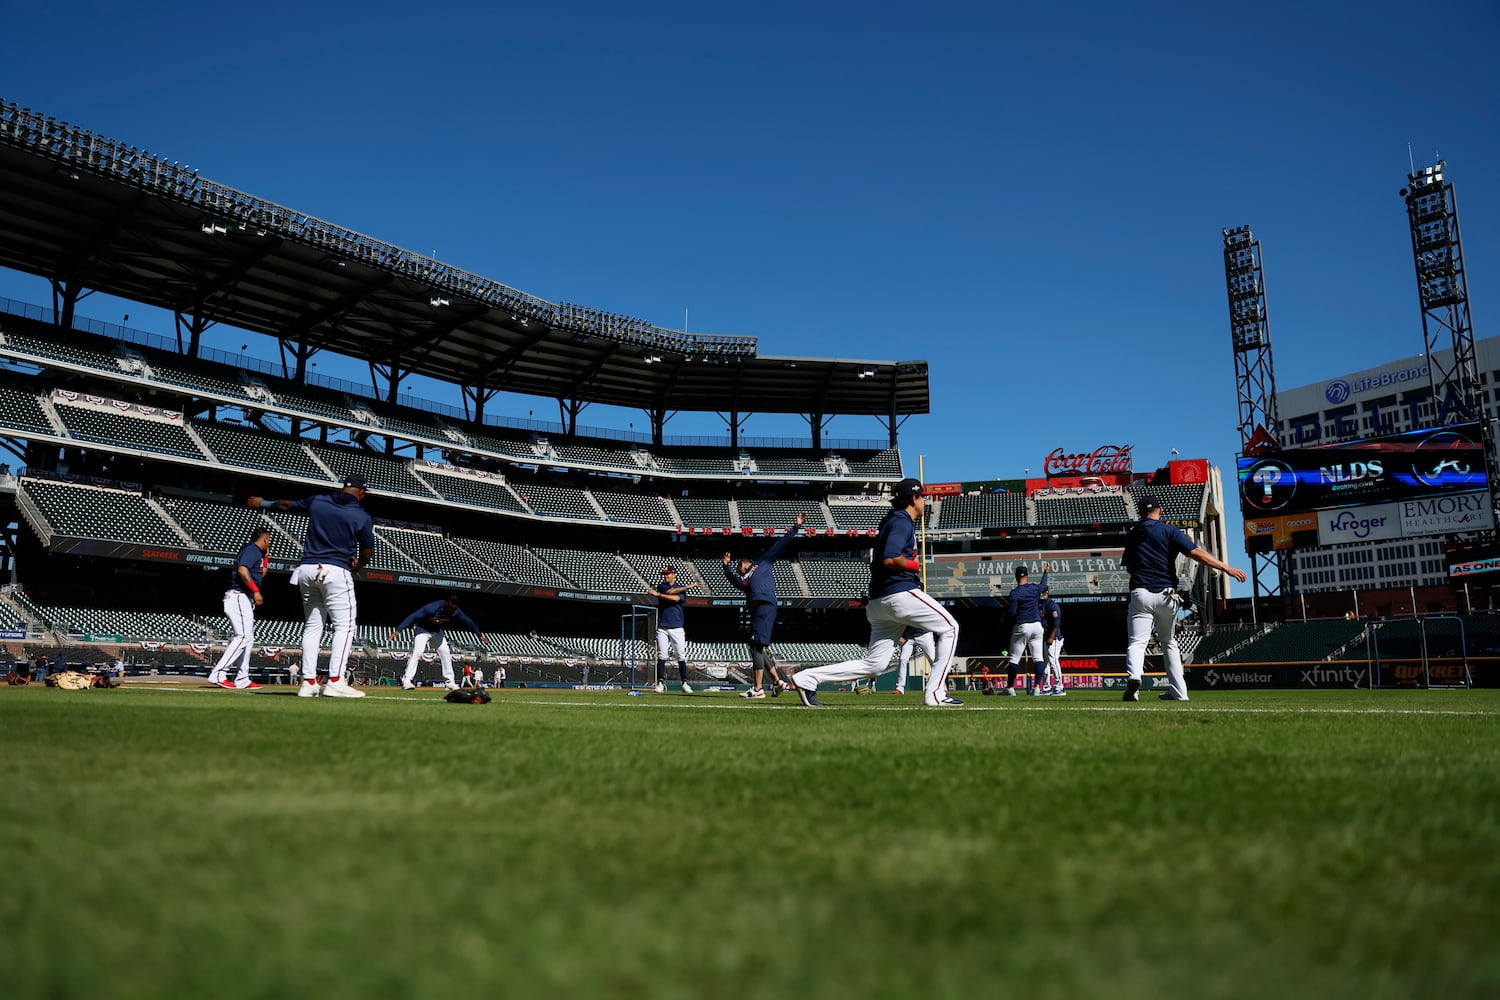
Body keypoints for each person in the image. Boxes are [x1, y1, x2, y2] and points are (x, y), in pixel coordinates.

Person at [792, 478, 961, 708]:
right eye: (922, 496)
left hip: (879, 602)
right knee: (951, 627)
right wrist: (913, 565)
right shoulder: (902, 521)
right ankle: (935, 694)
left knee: (875, 665)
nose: (924, 501)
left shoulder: (893, 520)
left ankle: (807, 678)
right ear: (913, 499)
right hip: (899, 594)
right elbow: (890, 558)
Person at [249, 473, 374, 699]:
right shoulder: (361, 514)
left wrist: (263, 503)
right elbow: (366, 551)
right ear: (362, 493)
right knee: (344, 627)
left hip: (306, 569)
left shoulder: (319, 500)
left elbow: (287, 504)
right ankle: (335, 681)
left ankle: (308, 683)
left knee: (313, 626)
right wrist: (358, 565)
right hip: (336, 570)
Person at [1121, 495, 1247, 702]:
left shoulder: (1133, 534)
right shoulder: (1169, 530)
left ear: (1141, 512)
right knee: (1169, 642)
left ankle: (1135, 678)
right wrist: (1226, 568)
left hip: (1140, 592)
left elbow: (1128, 567)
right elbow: (1197, 553)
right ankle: (1179, 692)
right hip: (1166, 594)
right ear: (1160, 510)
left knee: (1137, 642)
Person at [722, 513, 805, 699]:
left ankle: (758, 689)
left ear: (745, 563)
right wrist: (726, 568)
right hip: (759, 609)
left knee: (755, 646)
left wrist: (796, 527)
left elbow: (781, 544)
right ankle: (777, 682)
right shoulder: (744, 580)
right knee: (757, 646)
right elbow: (733, 579)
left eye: (738, 567)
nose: (738, 570)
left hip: (765, 605)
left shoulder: (762, 563)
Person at [207, 527, 271, 690]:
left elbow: (259, 575)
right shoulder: (252, 550)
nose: (269, 543)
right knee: (243, 637)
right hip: (239, 596)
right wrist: (256, 592)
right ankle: (219, 673)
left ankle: (242, 678)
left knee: (248, 639)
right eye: (268, 540)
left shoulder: (258, 554)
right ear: (264, 540)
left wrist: (266, 558)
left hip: (243, 597)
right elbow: (243, 570)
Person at [390, 594, 485, 691]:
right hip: (422, 629)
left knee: (445, 653)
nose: (452, 611)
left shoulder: (455, 611)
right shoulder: (432, 608)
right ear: (446, 603)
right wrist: (399, 629)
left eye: (454, 609)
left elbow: (468, 621)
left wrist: (479, 635)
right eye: (451, 608)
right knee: (418, 652)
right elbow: (413, 616)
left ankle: (450, 682)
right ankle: (406, 681)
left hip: (436, 631)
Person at [648, 565, 700, 694]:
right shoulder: (662, 586)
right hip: (663, 626)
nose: (666, 576)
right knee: (662, 655)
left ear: (674, 575)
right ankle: (660, 682)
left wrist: (659, 595)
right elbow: (669, 593)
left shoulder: (679, 588)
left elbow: (675, 597)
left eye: (669, 574)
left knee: (680, 656)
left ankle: (685, 682)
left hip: (677, 626)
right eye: (665, 574)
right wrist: (686, 587)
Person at [1004, 563, 1050, 696]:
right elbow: (1043, 585)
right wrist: (1045, 572)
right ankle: (1037, 688)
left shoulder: (1015, 593)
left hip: (1022, 626)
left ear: (1016, 577)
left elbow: (1012, 613)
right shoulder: (1034, 588)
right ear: (1027, 576)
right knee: (1038, 658)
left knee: (1013, 659)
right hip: (1037, 626)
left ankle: (1011, 689)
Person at [890, 625, 934, 696]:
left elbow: (914, 624)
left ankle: (941, 686)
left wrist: (904, 637)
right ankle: (900, 688)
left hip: (923, 634)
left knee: (933, 660)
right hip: (909, 637)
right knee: (903, 659)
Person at [1039, 589, 1065, 696]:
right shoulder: (1039, 604)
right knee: (1046, 663)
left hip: (1054, 638)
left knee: (1053, 661)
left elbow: (1056, 623)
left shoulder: (1052, 605)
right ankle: (1046, 687)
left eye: (1043, 592)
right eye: (1039, 592)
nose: (1041, 594)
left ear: (1047, 593)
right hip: (1045, 637)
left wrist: (1051, 637)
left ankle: (1060, 687)